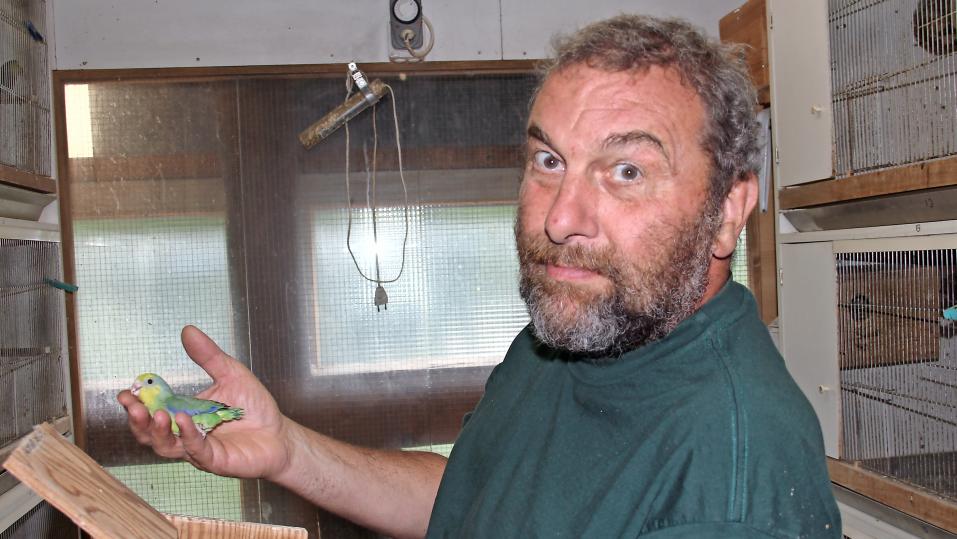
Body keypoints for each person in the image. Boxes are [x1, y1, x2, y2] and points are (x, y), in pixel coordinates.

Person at [119, 14, 841, 538]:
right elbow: (475, 498)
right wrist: (287, 449)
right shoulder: (578, 330)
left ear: (727, 212)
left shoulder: (731, 482)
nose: (560, 218)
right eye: (549, 161)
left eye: (626, 171)